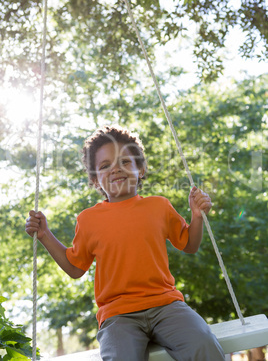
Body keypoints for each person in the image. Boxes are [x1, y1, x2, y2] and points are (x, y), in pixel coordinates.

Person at [25, 125, 225, 361]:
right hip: (118, 315)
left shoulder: (159, 206)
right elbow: (75, 267)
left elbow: (189, 245)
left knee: (203, 344)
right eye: (105, 166)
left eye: (125, 162)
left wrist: (196, 217)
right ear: (95, 180)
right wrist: (45, 234)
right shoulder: (88, 219)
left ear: (140, 170)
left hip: (167, 306)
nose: (116, 170)